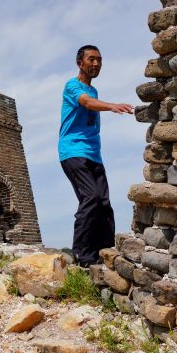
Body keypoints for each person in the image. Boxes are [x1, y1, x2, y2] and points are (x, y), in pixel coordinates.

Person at [58, 45, 135, 267]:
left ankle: (104, 251)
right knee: (90, 198)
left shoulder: (95, 90)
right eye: (91, 59)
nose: (96, 64)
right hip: (72, 151)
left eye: (99, 60)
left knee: (103, 203)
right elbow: (86, 103)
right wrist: (112, 106)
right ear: (79, 62)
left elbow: (92, 100)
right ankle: (81, 255)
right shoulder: (72, 86)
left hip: (94, 154)